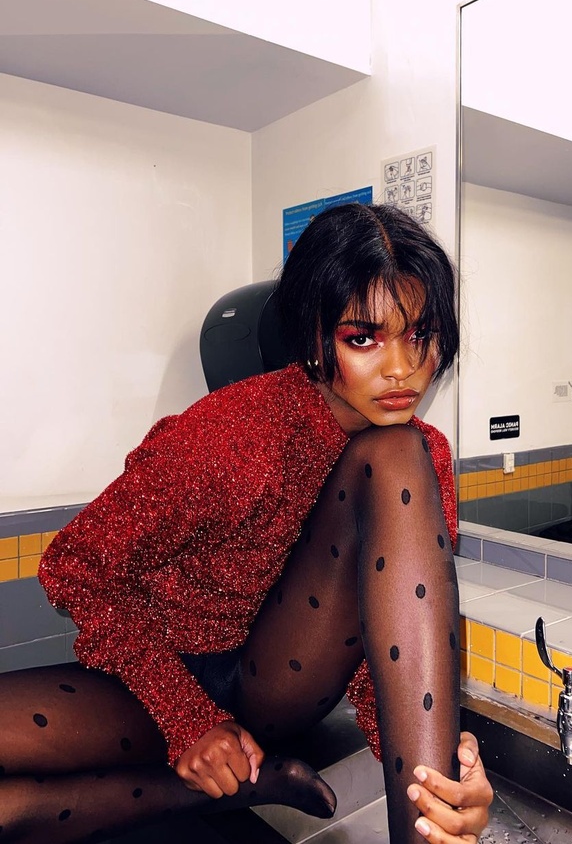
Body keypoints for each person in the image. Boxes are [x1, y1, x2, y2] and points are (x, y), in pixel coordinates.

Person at [0, 203, 493, 844]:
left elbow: (386, 626)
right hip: (156, 677)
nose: (401, 368)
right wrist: (188, 719)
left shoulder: (418, 459)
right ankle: (243, 786)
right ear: (314, 337)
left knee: (402, 451)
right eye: (363, 338)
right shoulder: (235, 437)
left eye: (420, 335)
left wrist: (443, 778)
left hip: (274, 683)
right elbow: (75, 567)